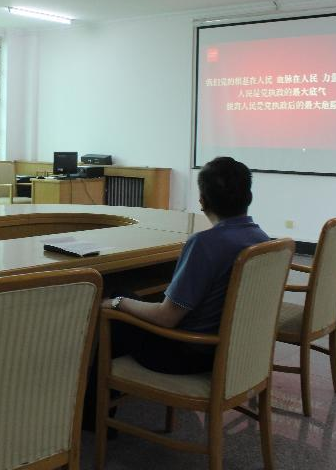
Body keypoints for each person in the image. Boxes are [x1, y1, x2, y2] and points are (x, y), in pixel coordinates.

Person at [102, 156, 270, 375]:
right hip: (235, 350)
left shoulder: (204, 244)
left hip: (190, 353)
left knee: (117, 299)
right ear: (249, 197)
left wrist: (117, 303)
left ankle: (98, 392)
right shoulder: (262, 238)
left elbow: (166, 318)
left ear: (202, 200)